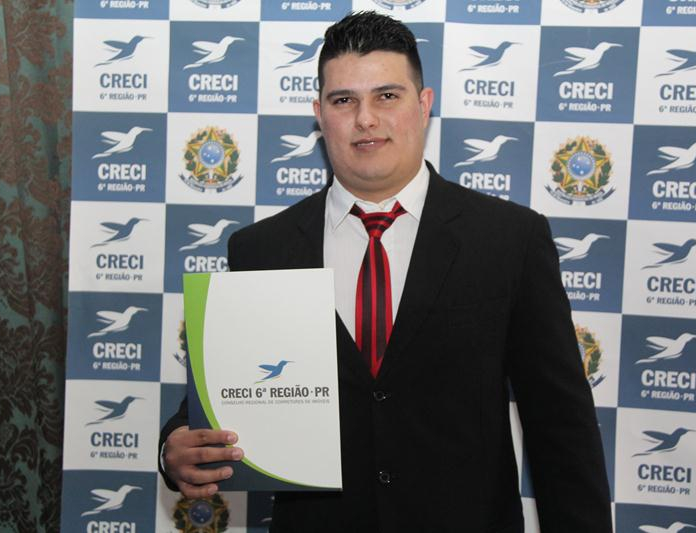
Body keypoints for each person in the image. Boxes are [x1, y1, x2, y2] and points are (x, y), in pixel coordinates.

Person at [160, 11, 612, 532]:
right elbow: (225, 399)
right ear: (319, 114)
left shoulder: (510, 239)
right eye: (344, 100)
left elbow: (561, 428)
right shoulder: (261, 249)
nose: (366, 119)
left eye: (387, 96)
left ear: (424, 105)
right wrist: (174, 448)